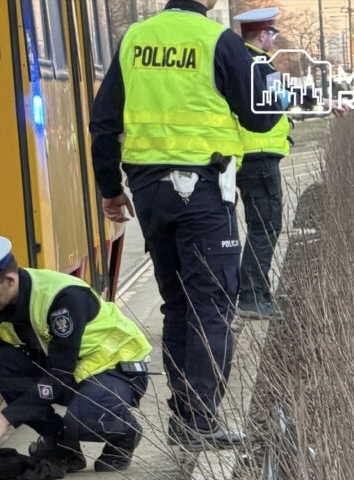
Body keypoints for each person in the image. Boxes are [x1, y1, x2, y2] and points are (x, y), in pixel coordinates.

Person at [89, 0, 280, 449]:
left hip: (149, 191)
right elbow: (261, 117)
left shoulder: (135, 39)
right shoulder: (218, 41)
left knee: (176, 304)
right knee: (211, 307)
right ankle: (198, 420)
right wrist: (269, 83)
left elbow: (103, 122)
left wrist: (110, 189)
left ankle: (184, 416)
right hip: (202, 190)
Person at [0, 236, 152, 473]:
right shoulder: (1, 316)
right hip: (73, 375)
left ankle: (126, 434)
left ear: (9, 279)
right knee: (1, 363)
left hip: (116, 369)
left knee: (83, 419)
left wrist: (4, 419)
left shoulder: (63, 298)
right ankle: (65, 448)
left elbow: (58, 378)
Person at [232, 8, 289, 321]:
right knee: (265, 226)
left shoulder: (240, 62)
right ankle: (253, 297)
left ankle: (252, 294)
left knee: (259, 226)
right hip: (260, 155)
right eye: (272, 33)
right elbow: (281, 101)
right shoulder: (261, 66)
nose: (272, 39)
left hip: (246, 155)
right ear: (263, 34)